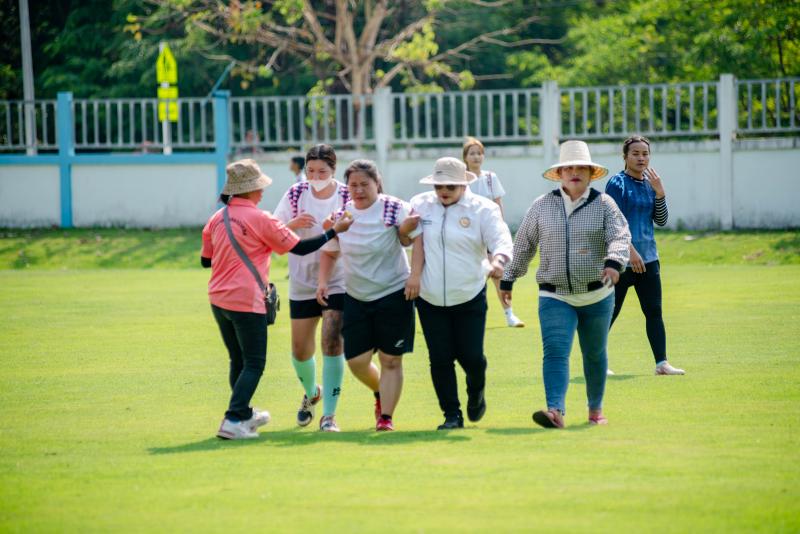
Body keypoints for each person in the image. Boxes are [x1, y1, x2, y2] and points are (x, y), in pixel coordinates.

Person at [201, 159, 352, 440]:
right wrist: (333, 232)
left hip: (218, 299)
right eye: (259, 187)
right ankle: (233, 419)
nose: (262, 192)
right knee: (254, 363)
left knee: (238, 360)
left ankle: (244, 414)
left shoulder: (216, 218)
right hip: (247, 298)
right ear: (249, 190)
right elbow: (301, 247)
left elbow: (205, 260)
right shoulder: (261, 218)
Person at [499, 140, 631, 428]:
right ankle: (555, 411)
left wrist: (614, 262)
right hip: (554, 295)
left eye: (581, 168)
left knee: (594, 353)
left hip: (597, 296)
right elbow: (523, 245)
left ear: (591, 173)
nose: (574, 172)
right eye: (568, 168)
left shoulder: (604, 204)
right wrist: (508, 278)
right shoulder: (542, 206)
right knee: (556, 352)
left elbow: (620, 236)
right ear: (559, 174)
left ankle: (595, 410)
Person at [316, 159, 422, 432]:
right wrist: (323, 282)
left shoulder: (394, 207)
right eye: (353, 185)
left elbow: (416, 238)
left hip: (394, 293)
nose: (359, 190)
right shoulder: (343, 215)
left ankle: (386, 417)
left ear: (377, 183)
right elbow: (330, 250)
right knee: (357, 362)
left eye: (365, 184)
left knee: (390, 359)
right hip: (357, 297)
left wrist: (415, 276)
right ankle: (379, 392)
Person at [408, 157, 513, 430]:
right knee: (440, 358)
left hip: (469, 295)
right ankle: (451, 415)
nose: (443, 191)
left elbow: (501, 238)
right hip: (430, 298)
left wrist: (498, 261)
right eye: (439, 185)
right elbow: (411, 239)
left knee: (472, 358)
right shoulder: (420, 204)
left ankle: (476, 391)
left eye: (450, 186)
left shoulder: (483, 208)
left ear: (464, 185)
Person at [273, 144, 351, 432]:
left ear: (334, 170)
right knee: (299, 351)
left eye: (322, 171)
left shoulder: (346, 194)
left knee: (332, 342)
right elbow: (275, 230)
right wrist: (293, 223)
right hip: (302, 280)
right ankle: (312, 392)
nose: (315, 177)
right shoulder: (296, 193)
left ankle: (329, 415)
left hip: (338, 279)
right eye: (311, 171)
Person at [604, 135, 685, 376]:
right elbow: (613, 221)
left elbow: (661, 220)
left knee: (654, 312)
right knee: (608, 313)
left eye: (645, 154)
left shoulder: (651, 184)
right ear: (625, 157)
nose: (641, 158)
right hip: (620, 261)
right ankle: (597, 364)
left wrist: (660, 194)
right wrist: (630, 251)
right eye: (635, 153)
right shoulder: (617, 183)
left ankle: (662, 364)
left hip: (649, 260)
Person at [462, 137, 525, 328]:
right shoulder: (461, 179)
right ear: (465, 157)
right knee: (469, 276)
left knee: (498, 275)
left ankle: (509, 314)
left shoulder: (491, 178)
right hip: (468, 235)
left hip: (489, 233)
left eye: (479, 153)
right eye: (472, 153)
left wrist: (500, 230)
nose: (476, 157)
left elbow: (498, 205)